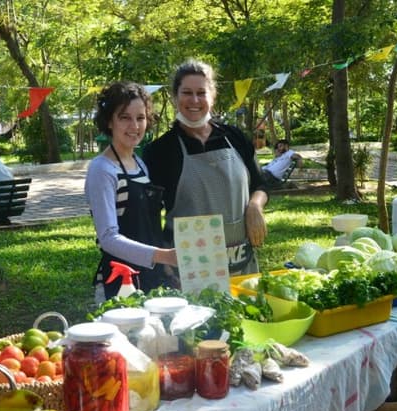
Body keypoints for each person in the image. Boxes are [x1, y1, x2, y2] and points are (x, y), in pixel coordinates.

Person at [142, 59, 269, 287]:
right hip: (190, 269)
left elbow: (260, 185)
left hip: (242, 265)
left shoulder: (235, 138)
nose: (194, 100)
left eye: (201, 92)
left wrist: (255, 206)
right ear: (175, 97)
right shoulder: (160, 151)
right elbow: (149, 217)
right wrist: (164, 262)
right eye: (186, 93)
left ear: (213, 96)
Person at [85, 81, 177, 301]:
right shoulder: (102, 169)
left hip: (153, 274)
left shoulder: (140, 163)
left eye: (140, 118)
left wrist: (166, 267)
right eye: (124, 117)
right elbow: (108, 238)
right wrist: (164, 256)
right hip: (120, 279)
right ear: (109, 121)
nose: (134, 126)